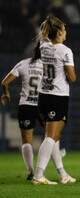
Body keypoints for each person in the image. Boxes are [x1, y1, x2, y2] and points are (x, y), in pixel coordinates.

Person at [32, 15, 77, 185]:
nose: (66, 32)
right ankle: (38, 175)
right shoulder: (65, 50)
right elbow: (72, 77)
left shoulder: (43, 46)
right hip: (57, 96)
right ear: (58, 32)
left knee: (53, 137)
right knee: (51, 137)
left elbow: (44, 39)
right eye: (64, 29)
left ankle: (62, 174)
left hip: (43, 95)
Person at [1, 49, 43, 180]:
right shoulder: (47, 66)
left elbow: (4, 82)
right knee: (52, 136)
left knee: (26, 140)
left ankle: (31, 172)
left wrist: (6, 94)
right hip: (43, 104)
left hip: (26, 105)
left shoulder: (23, 63)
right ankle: (52, 170)